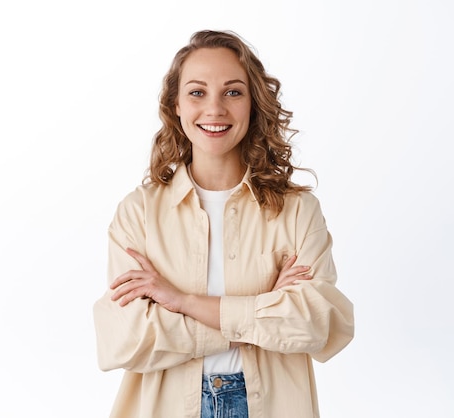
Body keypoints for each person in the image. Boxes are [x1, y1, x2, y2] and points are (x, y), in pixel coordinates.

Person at [93, 29, 354, 418]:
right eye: (197, 92)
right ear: (176, 105)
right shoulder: (139, 214)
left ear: (253, 104)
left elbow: (319, 325)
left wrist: (182, 302)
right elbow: (124, 339)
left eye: (233, 92)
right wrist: (259, 315)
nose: (214, 109)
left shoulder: (298, 210)